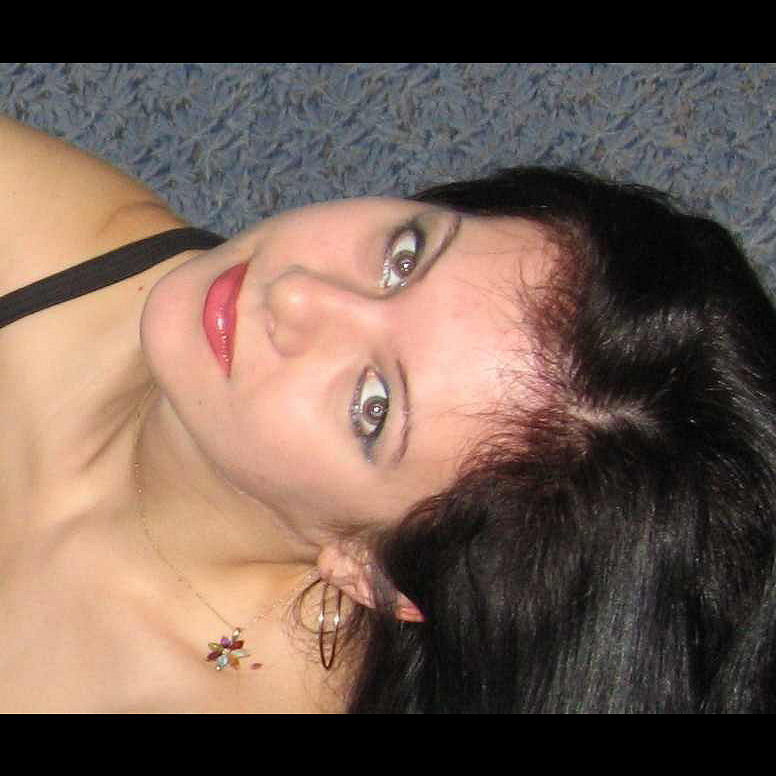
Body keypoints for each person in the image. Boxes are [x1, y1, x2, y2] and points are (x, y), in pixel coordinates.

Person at [1, 114, 775, 714]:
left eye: (372, 407)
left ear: (375, 571)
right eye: (403, 257)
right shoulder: (64, 246)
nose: (297, 295)